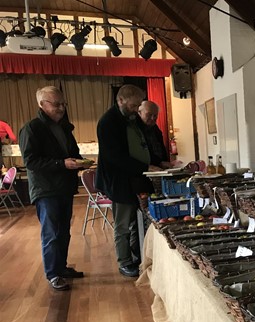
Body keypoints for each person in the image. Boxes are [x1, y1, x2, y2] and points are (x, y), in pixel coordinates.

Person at [20, 86, 88, 291]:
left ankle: (61, 267)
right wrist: (62, 164)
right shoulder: (32, 128)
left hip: (64, 187)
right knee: (51, 233)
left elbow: (72, 152)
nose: (61, 108)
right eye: (56, 104)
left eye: (62, 104)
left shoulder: (65, 127)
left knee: (63, 232)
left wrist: (80, 161)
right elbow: (31, 162)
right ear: (42, 104)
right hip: (45, 189)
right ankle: (53, 274)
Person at [96, 85, 149, 278]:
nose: (136, 109)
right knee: (123, 224)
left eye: (138, 105)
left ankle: (137, 257)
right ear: (120, 101)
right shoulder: (108, 122)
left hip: (135, 179)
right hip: (119, 181)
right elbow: (114, 156)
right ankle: (124, 262)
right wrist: (145, 167)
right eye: (133, 105)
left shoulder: (131, 118)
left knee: (136, 222)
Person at [138, 101, 172, 170]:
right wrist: (159, 162)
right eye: (149, 115)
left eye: (155, 115)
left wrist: (166, 163)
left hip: (159, 168)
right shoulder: (135, 130)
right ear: (139, 113)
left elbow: (161, 148)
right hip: (145, 169)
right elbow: (141, 152)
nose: (153, 118)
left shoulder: (155, 128)